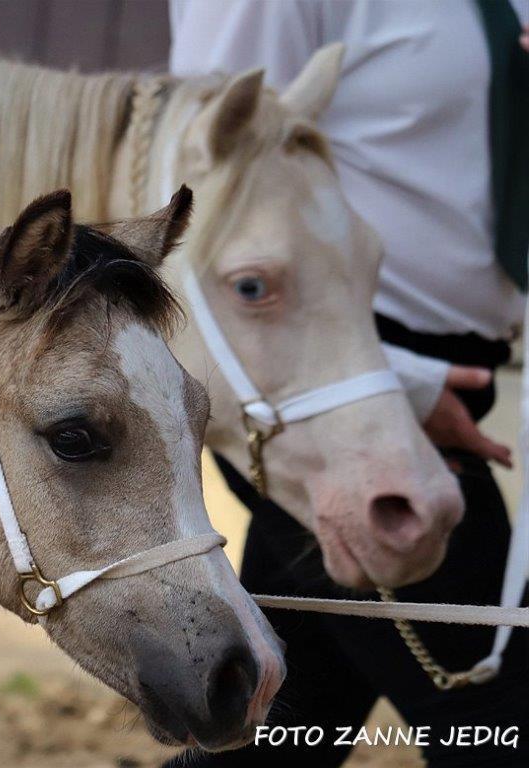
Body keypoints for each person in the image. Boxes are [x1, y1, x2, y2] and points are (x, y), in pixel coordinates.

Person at [168, 1, 529, 766]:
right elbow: (189, 191)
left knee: (290, 731)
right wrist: (396, 380)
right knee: (504, 720)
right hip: (332, 387)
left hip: (439, 374)